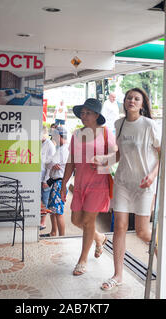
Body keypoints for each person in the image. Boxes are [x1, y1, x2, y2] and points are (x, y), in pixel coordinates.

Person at [94, 88, 161, 291]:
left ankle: (163, 252)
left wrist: (152, 175)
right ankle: (118, 274)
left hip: (143, 185)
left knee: (142, 231)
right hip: (123, 182)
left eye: (136, 98)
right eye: (129, 98)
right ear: (124, 102)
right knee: (119, 227)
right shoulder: (119, 123)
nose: (132, 101)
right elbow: (119, 156)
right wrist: (104, 160)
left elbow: (162, 154)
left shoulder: (149, 125)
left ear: (142, 104)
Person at [60, 98, 116, 276]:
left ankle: (82, 260)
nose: (83, 116)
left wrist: (104, 160)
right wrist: (63, 184)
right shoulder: (77, 134)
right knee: (76, 220)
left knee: (88, 221)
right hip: (80, 184)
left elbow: (116, 155)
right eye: (82, 113)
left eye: (88, 113)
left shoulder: (106, 133)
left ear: (97, 115)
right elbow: (71, 161)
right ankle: (99, 237)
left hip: (99, 184)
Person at [44, 126, 70, 237]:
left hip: (59, 183)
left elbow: (49, 163)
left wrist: (51, 164)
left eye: (54, 136)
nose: (53, 139)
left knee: (58, 212)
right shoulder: (61, 148)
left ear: (59, 136)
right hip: (56, 182)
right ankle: (53, 232)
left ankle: (62, 237)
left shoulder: (64, 149)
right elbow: (49, 164)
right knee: (53, 210)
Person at [40, 126, 56, 230]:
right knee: (39, 200)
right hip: (38, 177)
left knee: (44, 200)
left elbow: (51, 165)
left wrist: (46, 180)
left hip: (45, 178)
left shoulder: (49, 145)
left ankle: (42, 223)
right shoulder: (39, 143)